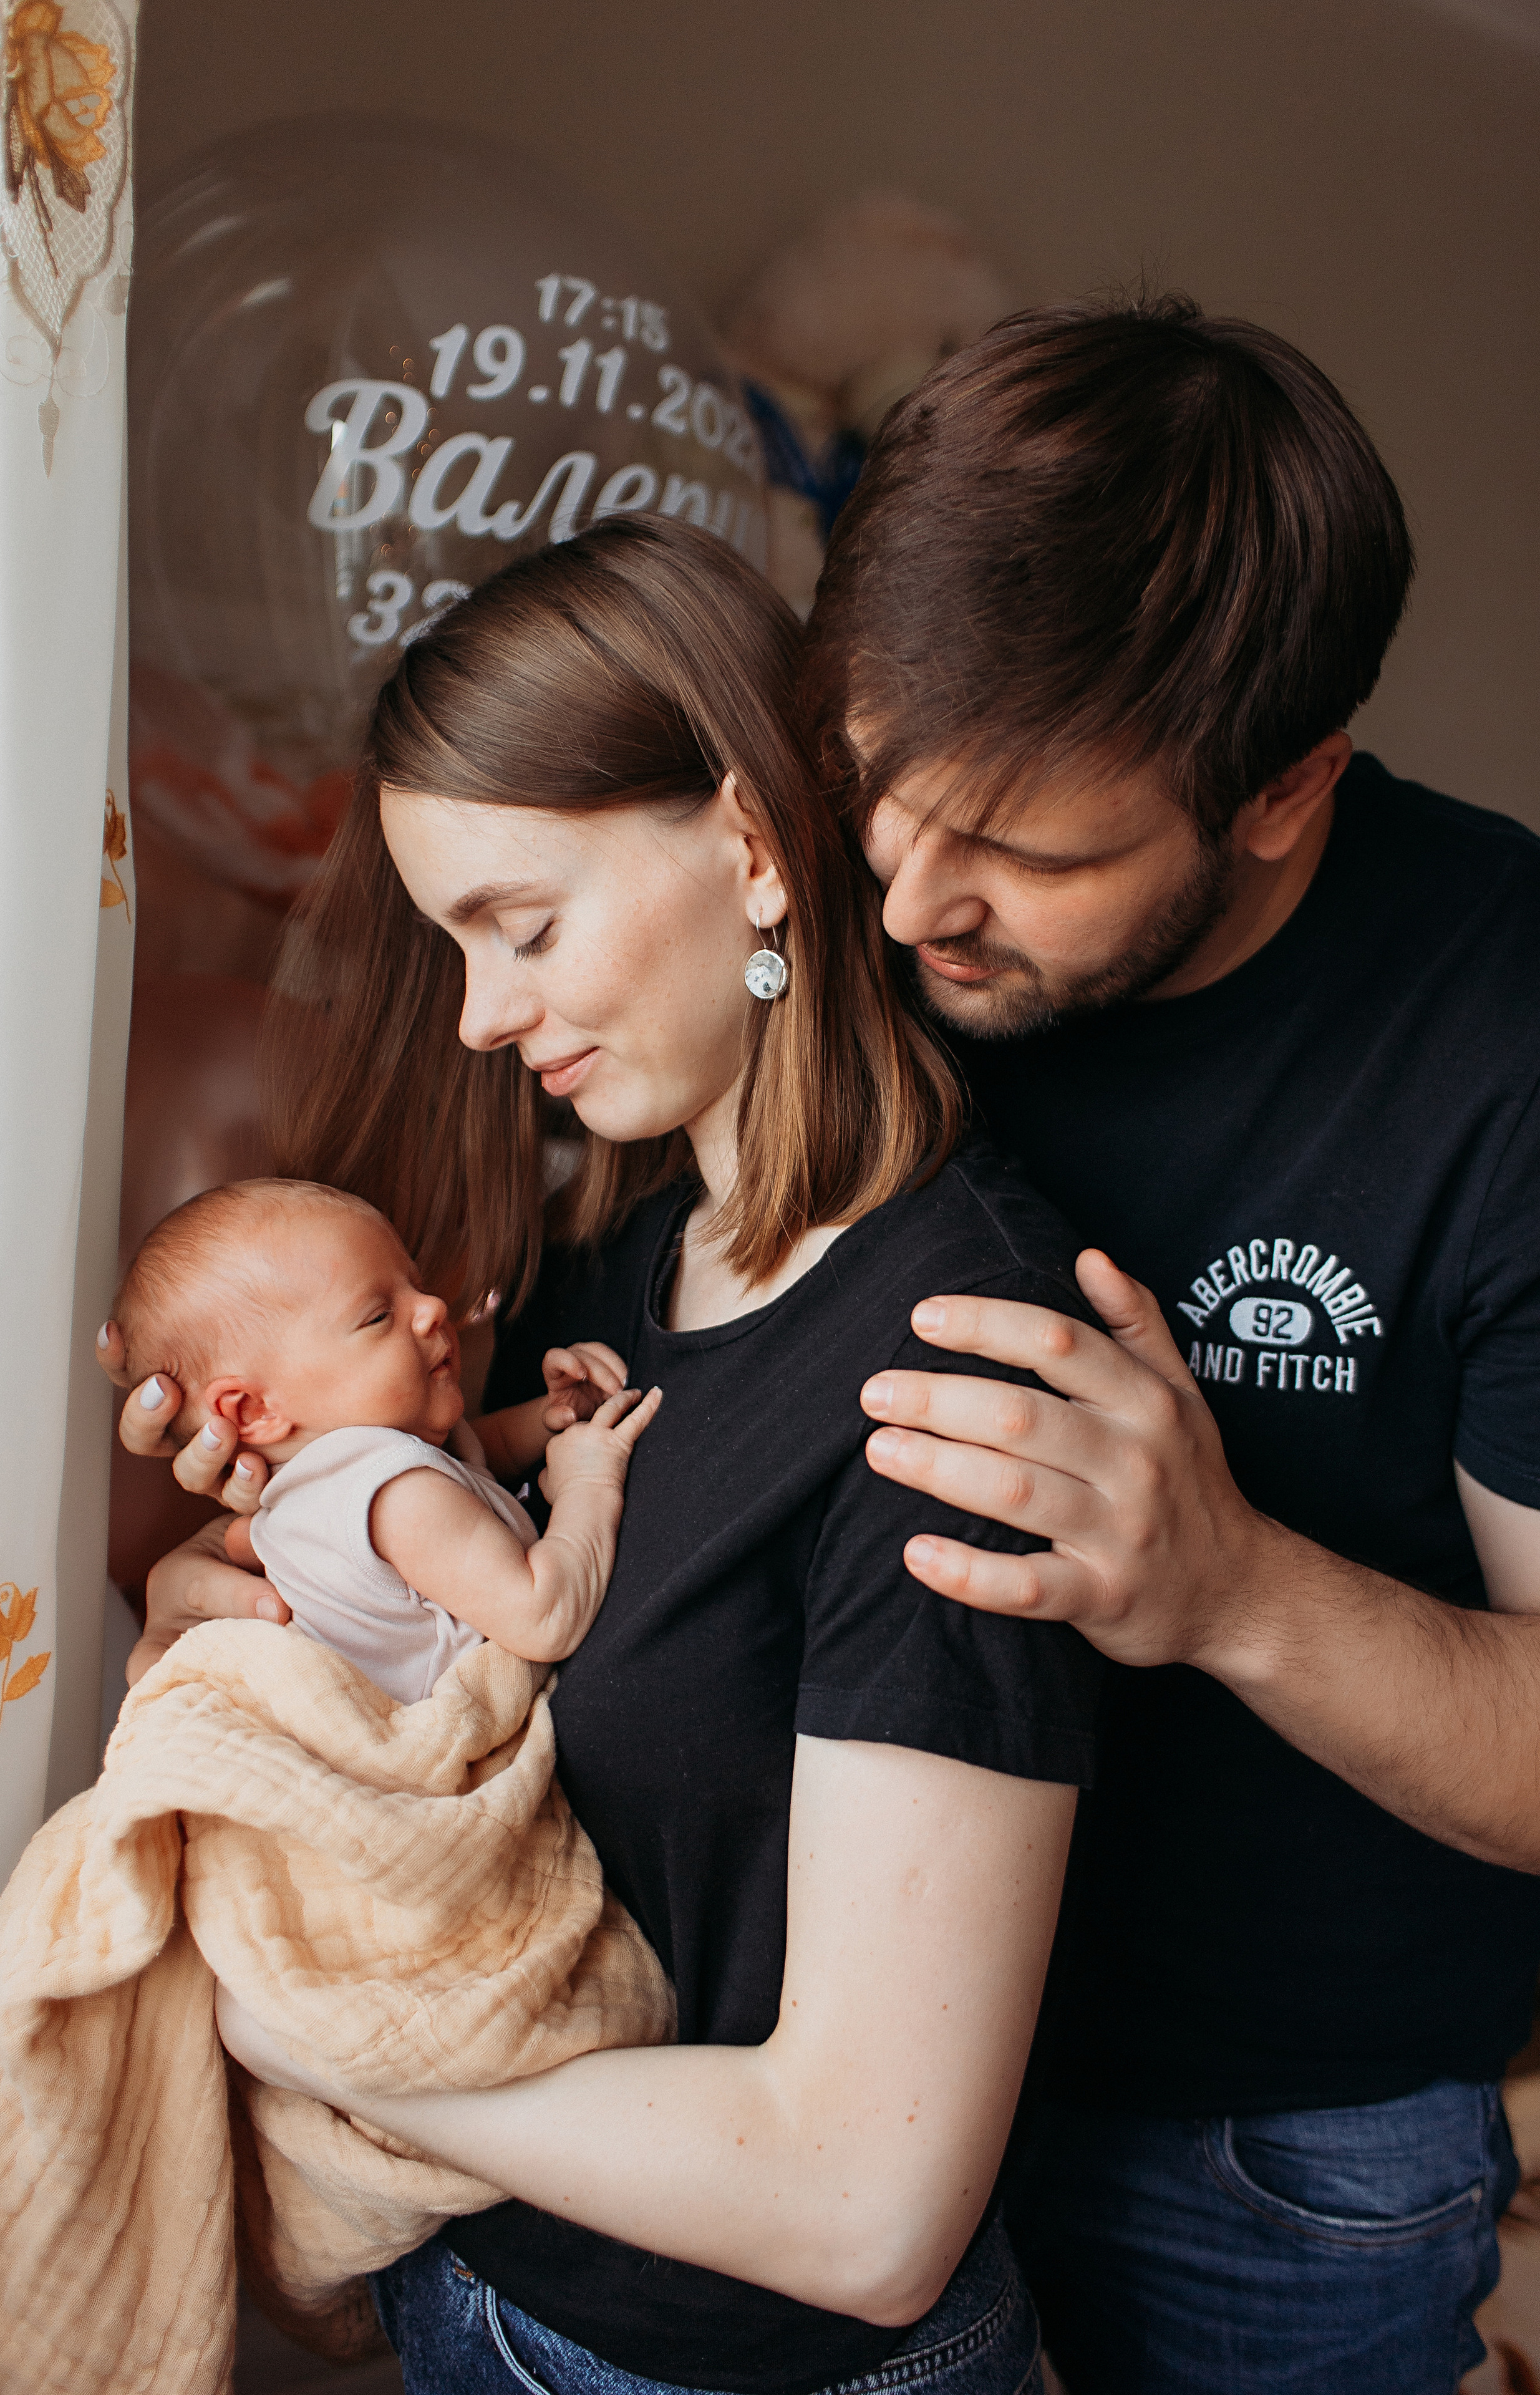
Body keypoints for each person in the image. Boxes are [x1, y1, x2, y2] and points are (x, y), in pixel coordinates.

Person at [100, 516, 1105, 2395]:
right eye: (454, 945)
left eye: (525, 927)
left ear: (743, 843)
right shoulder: (613, 1284)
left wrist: (332, 2049)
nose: (482, 1014)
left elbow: (865, 2210)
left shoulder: (953, 1377)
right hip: (482, 2298)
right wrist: (234, 1605)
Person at [800, 294, 1540, 2393]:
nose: (911, 905)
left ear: (1284, 790)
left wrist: (1228, 1586)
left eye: (1027, 854)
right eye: (880, 793)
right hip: (796, 2047)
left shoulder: (1500, 1041)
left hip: (1261, 2148)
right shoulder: (838, 906)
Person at [110, 1176, 657, 1695]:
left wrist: (550, 1416)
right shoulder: (399, 1499)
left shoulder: (343, 1482)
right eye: (377, 1316)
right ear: (252, 1409)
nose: (433, 1308)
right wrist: (587, 1482)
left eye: (415, 1285)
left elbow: (476, 1458)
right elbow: (543, 1617)